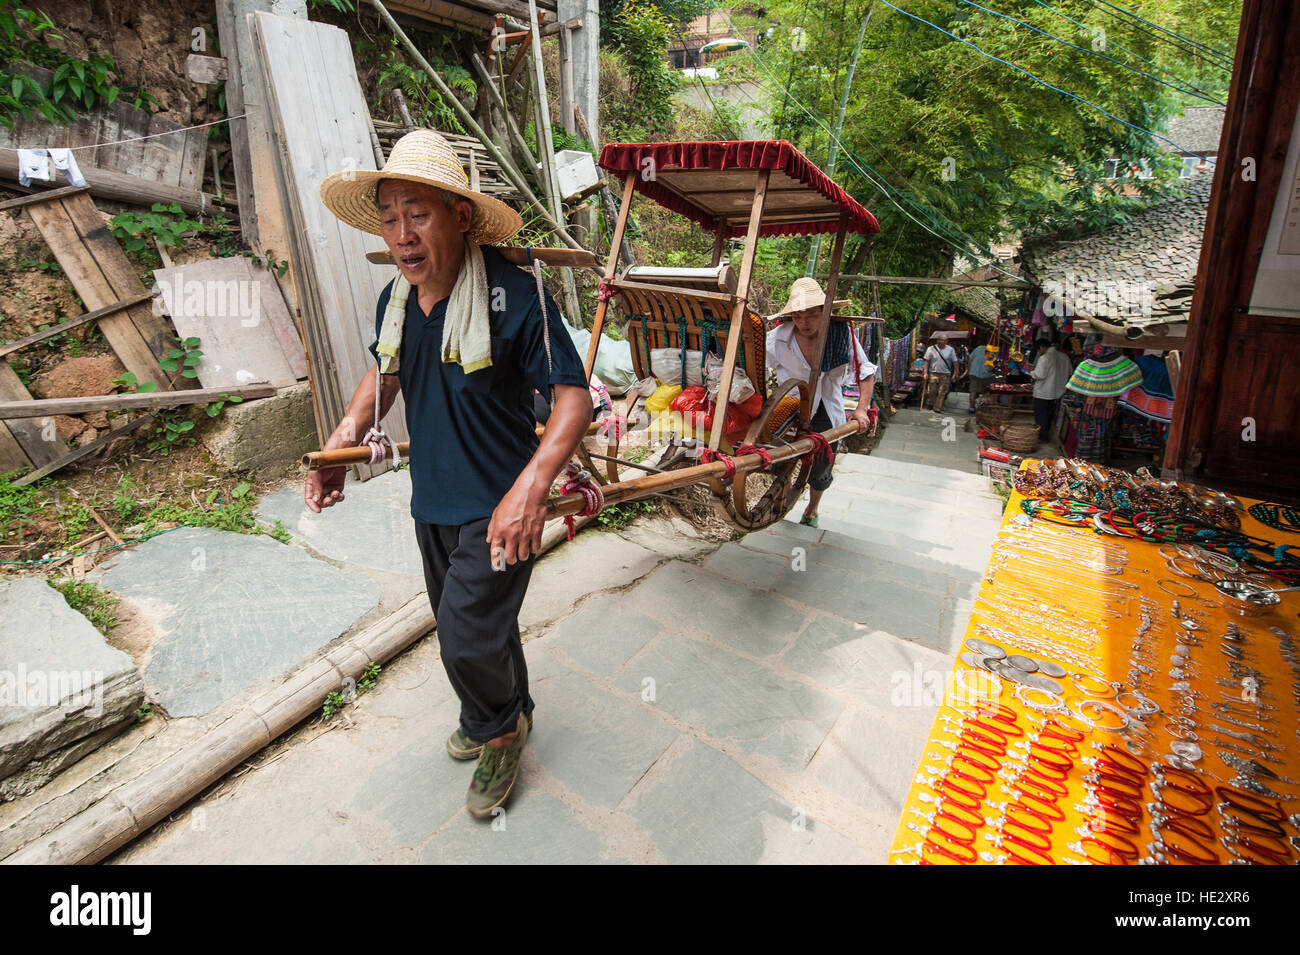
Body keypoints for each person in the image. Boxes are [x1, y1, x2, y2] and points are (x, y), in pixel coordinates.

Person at [307, 130, 592, 819]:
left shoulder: (517, 296)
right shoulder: (396, 304)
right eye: (390, 216)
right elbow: (386, 373)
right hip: (431, 499)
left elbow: (573, 397)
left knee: (464, 632)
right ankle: (509, 701)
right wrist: (343, 440)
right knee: (476, 622)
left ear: (461, 217)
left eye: (419, 213)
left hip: (499, 504)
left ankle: (500, 730)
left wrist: (532, 488)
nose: (402, 234)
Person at [766, 278, 877, 529]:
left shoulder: (841, 335)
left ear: (824, 312)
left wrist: (861, 409)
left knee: (821, 466)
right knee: (777, 457)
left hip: (827, 408)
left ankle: (812, 507)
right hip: (791, 405)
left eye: (812, 315)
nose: (804, 323)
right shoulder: (778, 338)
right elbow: (756, 367)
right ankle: (779, 498)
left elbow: (866, 372)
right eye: (798, 316)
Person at [1029, 339, 1072, 442]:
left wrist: (1031, 373)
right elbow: (1070, 372)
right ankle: (1045, 434)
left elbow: (1039, 375)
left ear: (1042, 347)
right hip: (1058, 392)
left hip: (1043, 392)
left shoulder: (1045, 358)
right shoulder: (1064, 357)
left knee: (1041, 415)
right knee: (1048, 414)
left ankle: (1042, 436)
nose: (1040, 352)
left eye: (1039, 349)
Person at [921, 334, 958, 412]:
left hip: (945, 374)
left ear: (947, 341)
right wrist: (925, 372)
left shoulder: (950, 350)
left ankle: (937, 408)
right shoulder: (931, 349)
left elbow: (955, 362)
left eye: (944, 340)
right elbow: (926, 361)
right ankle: (933, 403)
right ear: (937, 340)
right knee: (932, 391)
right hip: (933, 373)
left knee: (942, 392)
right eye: (940, 340)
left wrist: (956, 373)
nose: (942, 342)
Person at [967, 337, 995, 413]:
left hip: (974, 372)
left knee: (973, 391)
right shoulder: (994, 352)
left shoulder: (979, 348)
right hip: (985, 375)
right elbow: (992, 366)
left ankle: (971, 408)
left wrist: (969, 369)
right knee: (991, 388)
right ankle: (983, 402)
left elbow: (970, 358)